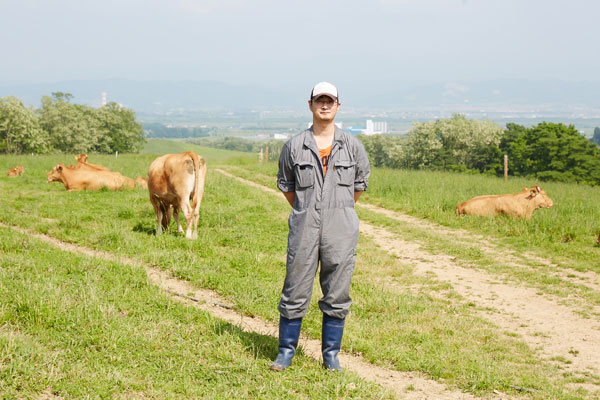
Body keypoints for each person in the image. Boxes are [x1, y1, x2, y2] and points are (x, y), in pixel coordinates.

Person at [270, 82, 370, 372]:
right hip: (304, 226)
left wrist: (336, 209)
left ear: (338, 106)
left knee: (338, 290)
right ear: (310, 105)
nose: (324, 106)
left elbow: (359, 186)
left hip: (341, 227)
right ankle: (286, 351)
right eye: (319, 100)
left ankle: (331, 356)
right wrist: (307, 209)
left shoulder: (352, 146)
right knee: (295, 287)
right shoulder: (294, 146)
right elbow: (288, 187)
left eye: (330, 101)